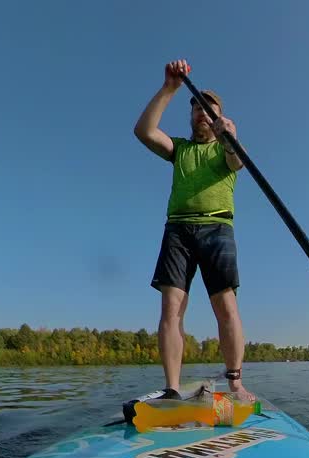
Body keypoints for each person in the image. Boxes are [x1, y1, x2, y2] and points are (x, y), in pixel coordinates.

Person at [133, 59, 252, 401]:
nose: (203, 113)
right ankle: (171, 389)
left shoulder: (227, 147)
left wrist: (229, 137)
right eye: (197, 108)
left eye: (209, 109)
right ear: (191, 117)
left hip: (217, 227)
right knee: (170, 309)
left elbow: (237, 161)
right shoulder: (179, 150)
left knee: (226, 307)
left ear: (220, 117)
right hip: (178, 231)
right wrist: (169, 88)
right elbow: (143, 132)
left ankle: (235, 384)